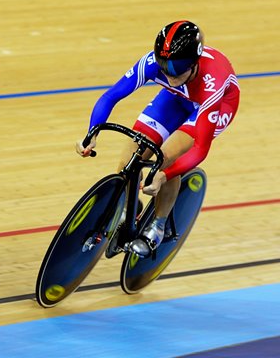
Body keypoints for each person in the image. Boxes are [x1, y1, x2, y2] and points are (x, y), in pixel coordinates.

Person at [76, 20, 240, 257]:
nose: (170, 74)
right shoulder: (154, 62)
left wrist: (163, 175)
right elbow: (111, 96)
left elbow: (201, 148)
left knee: (166, 158)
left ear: (194, 64)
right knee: (128, 160)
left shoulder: (212, 83)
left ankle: (158, 227)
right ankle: (131, 208)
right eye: (165, 68)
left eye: (177, 69)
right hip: (176, 98)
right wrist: (92, 132)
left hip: (214, 107)